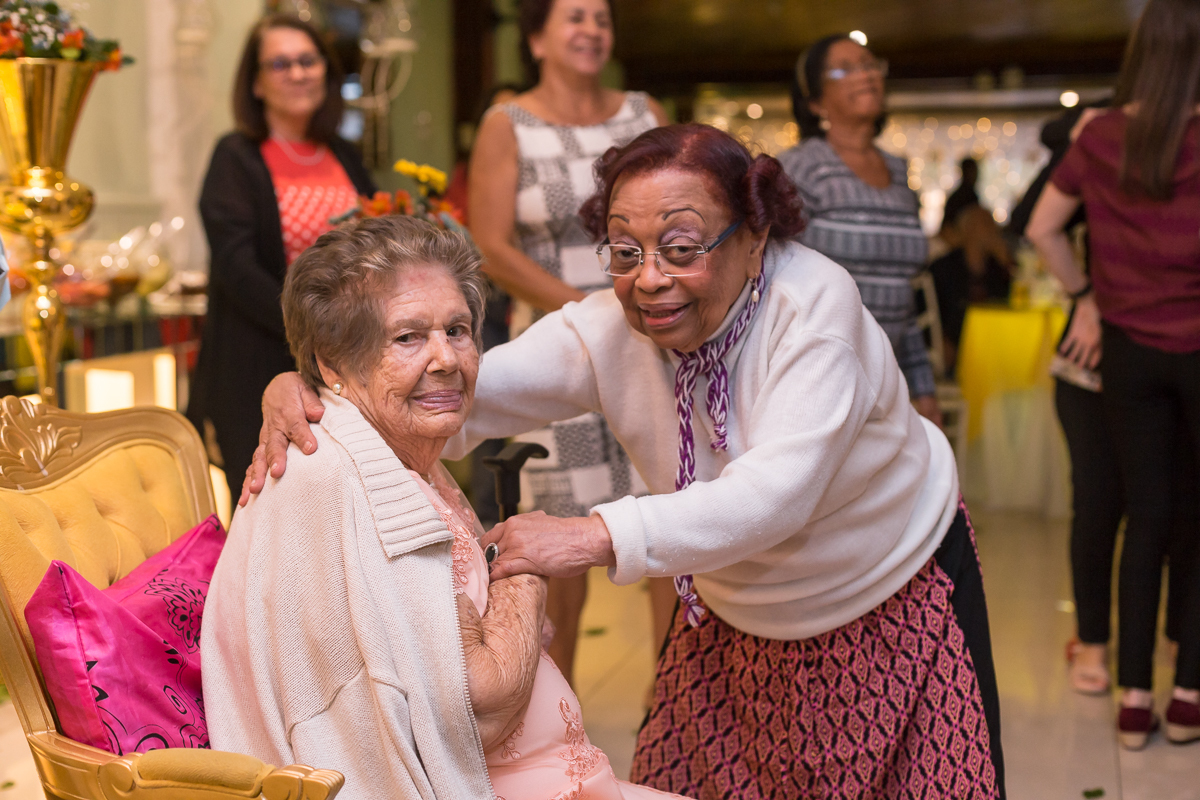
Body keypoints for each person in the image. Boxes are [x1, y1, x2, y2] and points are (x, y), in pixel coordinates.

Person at [249, 124, 1005, 798]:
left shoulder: (815, 315)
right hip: (733, 616)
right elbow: (454, 395)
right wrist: (315, 386)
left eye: (681, 249)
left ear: (754, 237)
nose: (647, 279)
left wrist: (586, 536)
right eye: (624, 250)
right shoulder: (609, 326)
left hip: (885, 593)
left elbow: (775, 495)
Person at [201, 215, 691, 800]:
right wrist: (523, 563)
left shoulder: (397, 445)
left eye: (458, 330)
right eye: (407, 337)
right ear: (332, 364)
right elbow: (476, 703)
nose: (446, 359)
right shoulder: (337, 474)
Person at [467, 0, 670, 683]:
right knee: (563, 550)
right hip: (560, 359)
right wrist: (592, 312)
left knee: (666, 532)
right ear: (537, 38)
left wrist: (636, 305)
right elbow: (490, 244)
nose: (591, 29)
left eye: (602, 18)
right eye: (574, 16)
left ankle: (671, 725)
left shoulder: (644, 114)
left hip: (658, 352)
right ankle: (555, 738)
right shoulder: (508, 124)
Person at [1027, 0, 1200, 749]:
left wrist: (1085, 295)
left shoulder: (1099, 133)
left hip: (1126, 352)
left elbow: (1041, 228)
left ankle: (1134, 699)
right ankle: (1189, 693)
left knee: (1144, 513)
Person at [187, 14, 375, 498]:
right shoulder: (236, 156)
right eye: (280, 63)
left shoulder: (346, 154)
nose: (297, 73)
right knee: (266, 503)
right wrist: (315, 329)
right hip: (258, 363)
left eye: (307, 60)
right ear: (255, 82)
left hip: (347, 365)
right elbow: (236, 267)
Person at [778, 34, 941, 425]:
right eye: (845, 69)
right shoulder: (802, 167)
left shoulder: (899, 171)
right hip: (817, 379)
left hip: (888, 382)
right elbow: (769, 279)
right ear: (815, 101)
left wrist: (922, 387)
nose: (865, 75)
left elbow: (904, 289)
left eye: (870, 65)